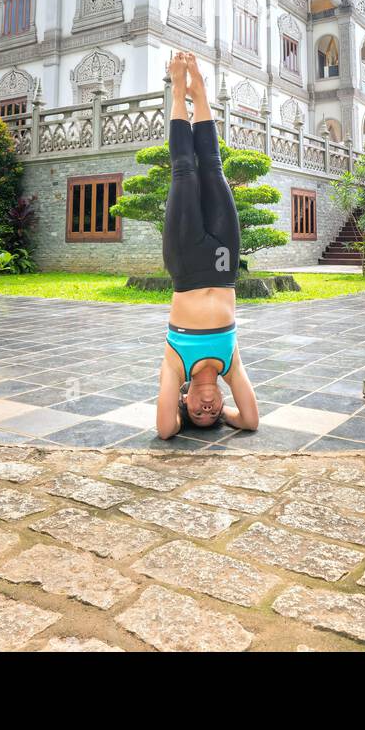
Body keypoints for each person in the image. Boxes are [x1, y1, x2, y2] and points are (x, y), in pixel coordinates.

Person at [156, 52, 259, 440]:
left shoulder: (176, 366)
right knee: (213, 166)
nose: (207, 409)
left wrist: (180, 413)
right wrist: (227, 416)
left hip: (185, 262)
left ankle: (178, 92)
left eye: (197, 415)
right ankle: (199, 95)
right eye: (211, 414)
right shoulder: (230, 366)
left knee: (184, 167)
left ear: (183, 403)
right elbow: (250, 420)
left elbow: (165, 430)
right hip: (223, 263)